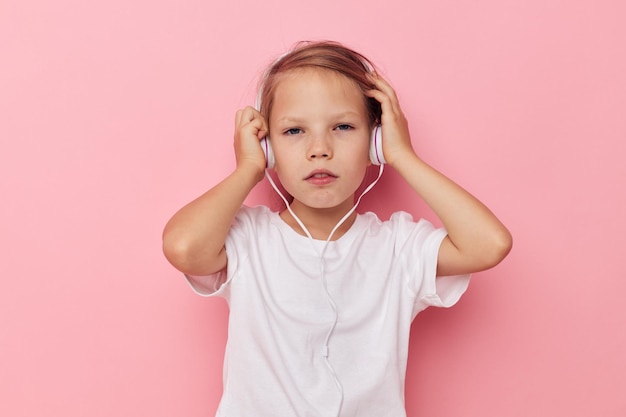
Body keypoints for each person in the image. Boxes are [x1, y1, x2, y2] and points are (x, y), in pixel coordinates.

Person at [162, 41, 512, 417]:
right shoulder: (248, 239)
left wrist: (403, 155)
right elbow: (183, 247)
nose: (319, 148)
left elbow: (489, 244)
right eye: (294, 131)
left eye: (343, 127)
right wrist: (248, 168)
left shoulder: (397, 247)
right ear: (269, 149)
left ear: (375, 143)